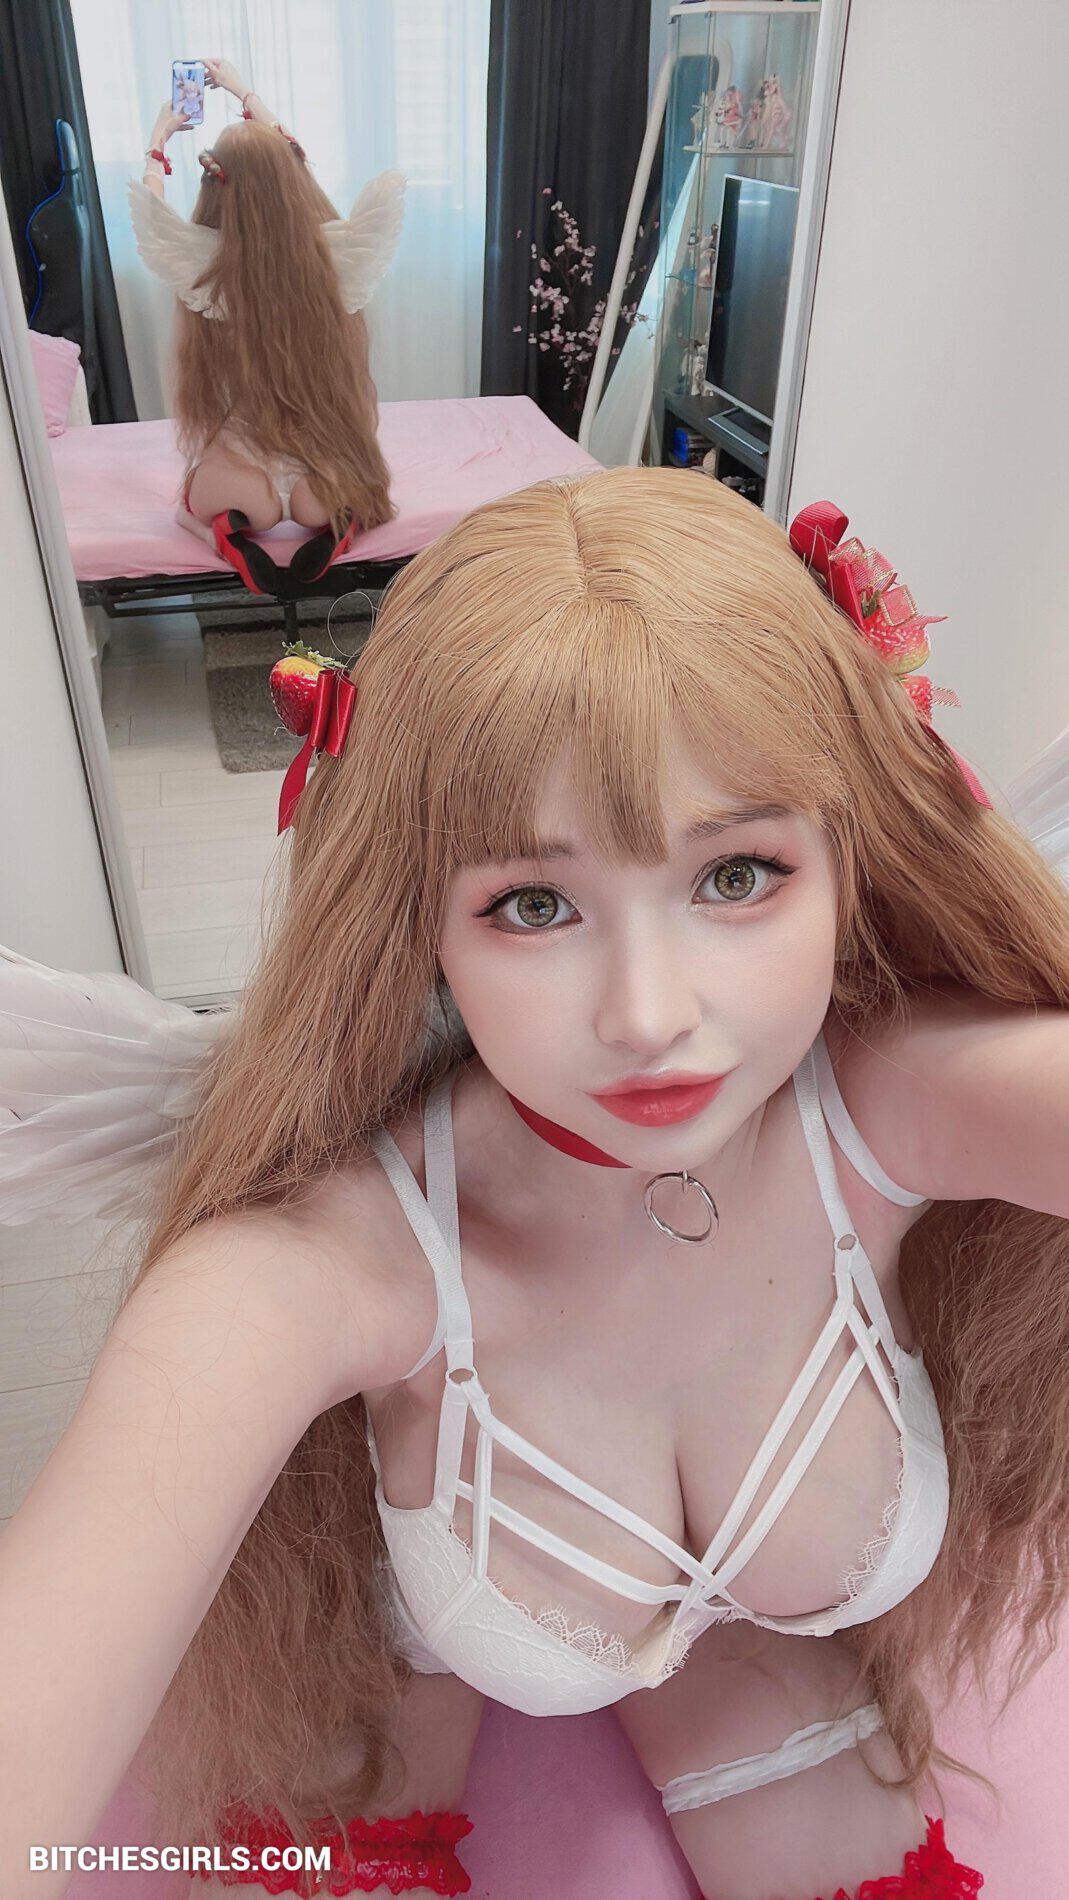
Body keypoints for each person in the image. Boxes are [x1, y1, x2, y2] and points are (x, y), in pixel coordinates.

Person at [4, 468, 1068, 1900]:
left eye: (737, 876)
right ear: (418, 929)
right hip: (391, 1683)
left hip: (758, 1667)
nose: (648, 1015)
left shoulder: (884, 1104)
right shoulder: (335, 1262)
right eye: (533, 903)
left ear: (849, 861)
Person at [132, 56, 404, 594]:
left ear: (216, 182)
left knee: (193, 502)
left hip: (240, 462)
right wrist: (244, 92)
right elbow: (294, 164)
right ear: (290, 182)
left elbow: (151, 215)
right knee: (340, 490)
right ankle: (337, 520)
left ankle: (224, 533)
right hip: (323, 457)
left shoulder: (207, 271)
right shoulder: (331, 260)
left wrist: (159, 139)